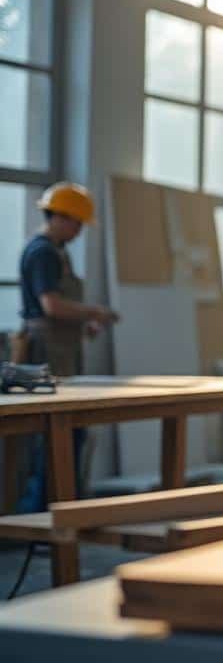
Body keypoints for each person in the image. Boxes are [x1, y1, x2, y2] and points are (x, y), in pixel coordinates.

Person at [15, 182, 119, 511]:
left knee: (71, 432)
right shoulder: (43, 252)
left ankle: (60, 509)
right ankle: (44, 514)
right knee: (56, 434)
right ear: (60, 216)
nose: (78, 231)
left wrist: (83, 324)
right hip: (46, 352)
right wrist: (93, 311)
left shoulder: (58, 251)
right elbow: (51, 306)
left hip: (61, 349)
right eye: (76, 223)